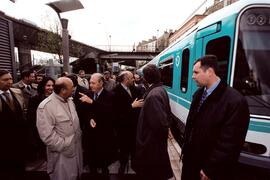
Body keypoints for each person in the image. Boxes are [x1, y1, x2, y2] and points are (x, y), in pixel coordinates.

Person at [181, 55, 250, 180]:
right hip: (192, 163)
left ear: (209, 72)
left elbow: (230, 143)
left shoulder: (235, 101)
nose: (192, 76)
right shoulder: (198, 94)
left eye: (196, 72)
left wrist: (210, 169)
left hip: (209, 171)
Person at [36, 77, 83, 180]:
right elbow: (47, 136)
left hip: (76, 152)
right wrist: (65, 145)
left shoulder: (70, 100)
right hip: (61, 155)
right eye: (72, 88)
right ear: (63, 90)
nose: (74, 89)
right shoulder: (46, 106)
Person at [132, 64, 173, 180]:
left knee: (151, 174)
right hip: (154, 144)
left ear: (145, 78)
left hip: (151, 145)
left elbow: (159, 124)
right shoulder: (161, 90)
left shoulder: (153, 96)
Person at [79, 73, 116, 175]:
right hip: (90, 136)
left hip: (104, 136)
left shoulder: (110, 95)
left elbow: (110, 112)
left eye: (93, 83)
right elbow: (84, 112)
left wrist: (92, 102)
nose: (90, 85)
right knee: (92, 165)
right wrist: (89, 119)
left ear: (101, 83)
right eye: (90, 83)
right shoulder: (88, 94)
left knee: (104, 165)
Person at [113, 71, 144, 174]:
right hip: (123, 129)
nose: (133, 80)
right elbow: (116, 113)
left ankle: (135, 165)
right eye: (131, 78)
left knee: (134, 148)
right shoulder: (115, 91)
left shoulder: (134, 89)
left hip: (134, 126)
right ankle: (122, 165)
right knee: (123, 149)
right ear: (126, 79)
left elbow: (139, 102)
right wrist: (131, 106)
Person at [0, 69, 27, 180]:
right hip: (3, 141)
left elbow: (23, 111)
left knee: (20, 168)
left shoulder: (17, 92)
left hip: (19, 139)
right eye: (5, 79)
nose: (9, 81)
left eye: (10, 78)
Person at [26, 77, 55, 170]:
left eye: (53, 85)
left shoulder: (57, 98)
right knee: (45, 154)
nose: (51, 87)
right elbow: (31, 118)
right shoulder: (35, 99)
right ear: (43, 86)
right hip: (41, 132)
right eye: (48, 85)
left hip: (55, 131)